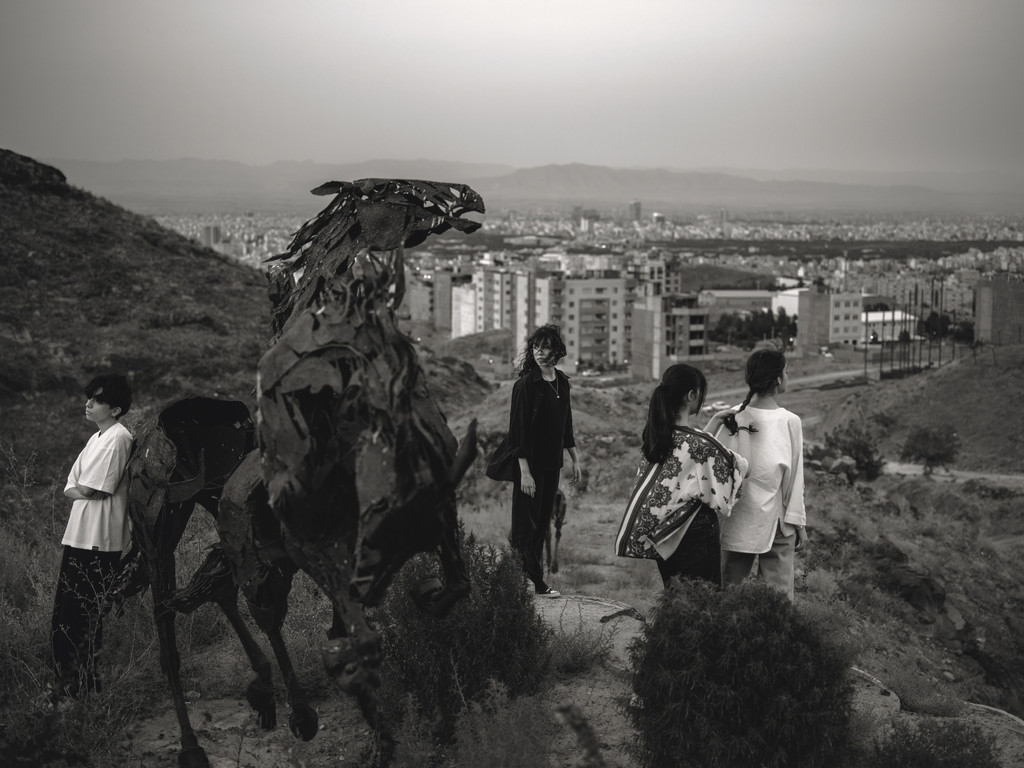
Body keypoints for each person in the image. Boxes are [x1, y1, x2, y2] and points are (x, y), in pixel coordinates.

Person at [615, 364, 747, 588]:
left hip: (664, 533)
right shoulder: (700, 444)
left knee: (676, 599)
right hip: (695, 531)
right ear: (691, 395)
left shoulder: (657, 437)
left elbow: (689, 458)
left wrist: (714, 422)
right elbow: (740, 469)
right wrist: (743, 431)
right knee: (704, 601)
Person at [51, 373, 134, 697]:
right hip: (78, 537)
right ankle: (67, 685)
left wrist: (81, 488)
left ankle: (83, 688)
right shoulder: (96, 438)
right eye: (90, 397)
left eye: (97, 400)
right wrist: (82, 489)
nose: (88, 404)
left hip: (99, 541)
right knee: (63, 616)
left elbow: (94, 489)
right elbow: (71, 487)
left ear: (114, 409)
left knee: (83, 618)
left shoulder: (118, 438)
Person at [717, 345, 807, 600]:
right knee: (775, 599)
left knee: (729, 594)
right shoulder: (790, 421)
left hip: (736, 518)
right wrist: (798, 522)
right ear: (778, 379)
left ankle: (727, 638)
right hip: (776, 522)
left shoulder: (732, 417)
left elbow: (717, 470)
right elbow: (794, 479)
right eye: (787, 372)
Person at [500, 325, 581, 597]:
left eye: (546, 347)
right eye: (535, 347)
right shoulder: (525, 385)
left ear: (557, 351)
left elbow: (565, 424)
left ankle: (524, 579)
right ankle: (536, 583)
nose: (540, 353)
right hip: (529, 467)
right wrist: (524, 472)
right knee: (525, 526)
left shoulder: (562, 382)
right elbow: (518, 431)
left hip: (552, 466)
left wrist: (574, 459)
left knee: (542, 524)